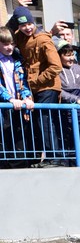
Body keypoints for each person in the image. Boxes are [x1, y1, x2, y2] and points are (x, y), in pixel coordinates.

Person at [10, 7, 64, 167]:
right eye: (22, 25)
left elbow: (56, 67)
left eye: (29, 24)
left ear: (33, 22)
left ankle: (54, 158)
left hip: (47, 87)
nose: (27, 28)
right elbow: (7, 33)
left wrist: (36, 81)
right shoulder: (19, 37)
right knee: (39, 123)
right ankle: (48, 157)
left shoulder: (43, 39)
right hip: (34, 89)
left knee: (45, 121)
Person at [0, 28, 34, 168]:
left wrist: (26, 97)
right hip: (4, 106)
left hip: (17, 105)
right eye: (5, 44)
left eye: (12, 44)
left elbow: (23, 83)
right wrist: (10, 99)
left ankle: (19, 166)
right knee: (4, 139)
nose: (10, 47)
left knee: (19, 138)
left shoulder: (17, 60)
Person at [56, 38, 80, 166]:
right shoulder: (56, 70)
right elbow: (59, 91)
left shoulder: (79, 69)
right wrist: (76, 99)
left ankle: (77, 165)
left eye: (72, 55)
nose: (71, 58)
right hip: (64, 112)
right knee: (65, 141)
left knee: (79, 140)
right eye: (66, 55)